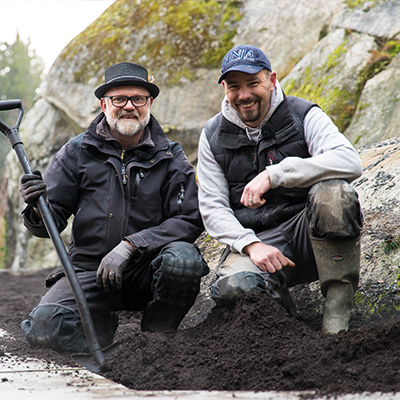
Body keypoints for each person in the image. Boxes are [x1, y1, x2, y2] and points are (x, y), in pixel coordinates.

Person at [19, 62, 209, 353]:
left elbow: (190, 218)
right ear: (104, 104)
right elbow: (50, 223)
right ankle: (101, 330)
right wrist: (35, 208)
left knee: (183, 261)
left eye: (138, 99)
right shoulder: (77, 152)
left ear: (150, 103)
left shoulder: (170, 156)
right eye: (119, 99)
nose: (129, 106)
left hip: (146, 270)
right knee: (45, 326)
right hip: (88, 271)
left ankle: (157, 340)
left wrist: (132, 245)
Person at [197, 45, 363, 334]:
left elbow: (349, 160)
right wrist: (251, 245)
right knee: (234, 289)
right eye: (234, 86)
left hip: (309, 229)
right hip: (258, 239)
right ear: (225, 88)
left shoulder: (303, 113)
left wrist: (276, 175)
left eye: (253, 83)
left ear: (272, 80)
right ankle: (286, 321)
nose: (244, 94)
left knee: (334, 194)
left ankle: (337, 320)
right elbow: (212, 207)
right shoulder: (212, 134)